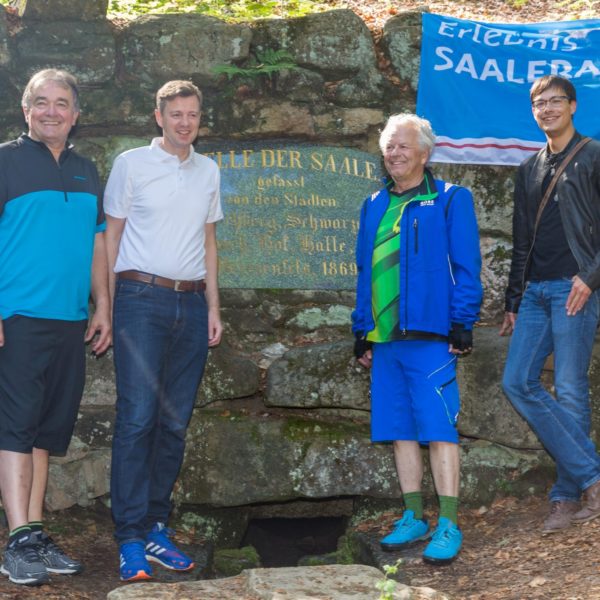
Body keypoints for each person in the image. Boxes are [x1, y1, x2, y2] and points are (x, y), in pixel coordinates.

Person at [104, 80, 223, 582]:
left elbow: (209, 242)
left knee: (174, 422)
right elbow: (110, 237)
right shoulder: (131, 164)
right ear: (159, 116)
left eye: (192, 114)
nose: (184, 122)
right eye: (176, 114)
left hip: (191, 305)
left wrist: (213, 307)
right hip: (140, 299)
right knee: (137, 419)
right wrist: (106, 307)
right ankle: (130, 536)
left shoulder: (208, 170)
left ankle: (156, 526)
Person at [352, 113, 482, 564]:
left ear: (425, 153)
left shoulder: (450, 199)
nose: (394, 153)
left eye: (403, 145)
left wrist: (462, 321)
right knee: (399, 428)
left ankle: (448, 521)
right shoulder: (373, 203)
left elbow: (467, 266)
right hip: (384, 337)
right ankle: (413, 515)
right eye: (389, 146)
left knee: (439, 427)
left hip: (432, 336)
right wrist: (361, 329)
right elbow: (364, 270)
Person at [0, 69, 111, 586]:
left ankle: (34, 532)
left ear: (75, 114)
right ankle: (17, 541)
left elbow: (97, 244)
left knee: (45, 432)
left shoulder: (87, 170)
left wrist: (103, 306)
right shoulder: (4, 161)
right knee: (16, 429)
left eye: (61, 103)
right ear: (26, 110)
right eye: (41, 102)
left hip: (70, 321)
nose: (51, 111)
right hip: (17, 318)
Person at [500, 75, 600, 534]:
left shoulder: (594, 155)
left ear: (573, 106)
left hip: (574, 288)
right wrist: (513, 299)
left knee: (570, 389)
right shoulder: (529, 168)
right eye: (539, 103)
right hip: (536, 293)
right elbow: (522, 238)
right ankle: (592, 477)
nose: (547, 109)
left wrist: (590, 278)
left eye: (555, 100)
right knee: (517, 381)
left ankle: (565, 495)